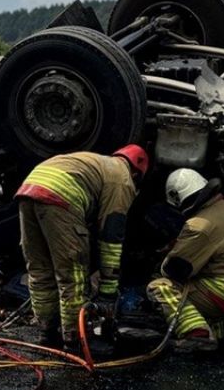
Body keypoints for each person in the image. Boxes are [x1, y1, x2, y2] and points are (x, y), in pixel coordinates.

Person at [16, 146, 148, 349]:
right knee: (73, 273)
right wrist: (108, 290)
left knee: (40, 271)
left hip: (29, 189)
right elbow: (111, 237)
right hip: (60, 196)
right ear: (136, 173)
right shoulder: (122, 179)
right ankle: (75, 339)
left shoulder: (99, 163)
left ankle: (46, 332)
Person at [147, 168, 224, 351]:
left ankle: (197, 334)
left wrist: (166, 256)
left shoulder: (197, 226)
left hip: (223, 293)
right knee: (200, 284)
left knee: (160, 286)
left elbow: (175, 270)